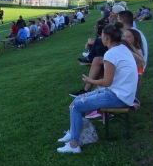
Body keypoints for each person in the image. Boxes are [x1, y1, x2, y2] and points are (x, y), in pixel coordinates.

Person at [58, 23, 139, 154]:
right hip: (122, 93)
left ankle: (74, 145)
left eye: (101, 36)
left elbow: (107, 82)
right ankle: (73, 133)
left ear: (106, 38)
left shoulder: (111, 54)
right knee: (77, 100)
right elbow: (140, 61)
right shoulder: (123, 48)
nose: (100, 38)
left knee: (76, 106)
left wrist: (90, 80)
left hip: (118, 97)